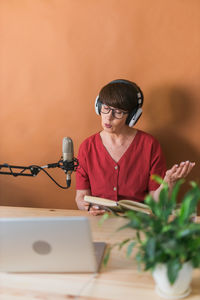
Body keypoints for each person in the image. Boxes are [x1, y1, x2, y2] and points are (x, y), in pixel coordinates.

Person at [75, 79, 195, 215]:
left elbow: (157, 204)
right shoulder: (87, 147)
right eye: (106, 108)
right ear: (98, 106)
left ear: (132, 116)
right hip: (98, 222)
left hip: (137, 224)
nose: (108, 118)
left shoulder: (150, 145)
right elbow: (80, 197)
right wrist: (87, 207)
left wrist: (169, 182)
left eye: (118, 112)